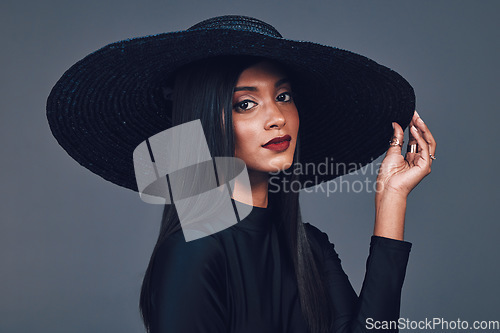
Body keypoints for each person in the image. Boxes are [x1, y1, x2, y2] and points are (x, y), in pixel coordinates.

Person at [46, 15, 436, 333]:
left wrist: (391, 198)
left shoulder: (310, 247)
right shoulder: (192, 252)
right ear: (203, 125)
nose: (277, 117)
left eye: (283, 96)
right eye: (246, 103)